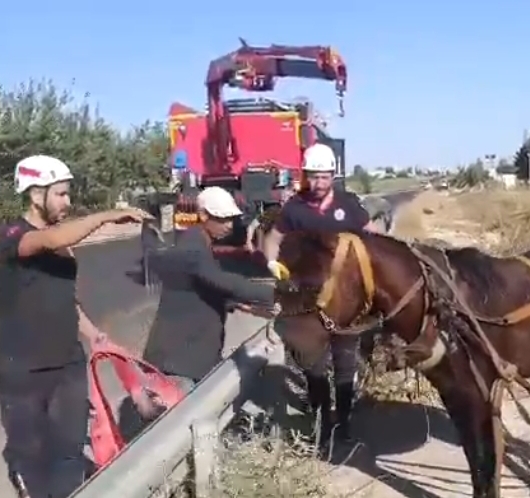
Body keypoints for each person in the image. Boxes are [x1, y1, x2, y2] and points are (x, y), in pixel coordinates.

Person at [0, 154, 150, 498]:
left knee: (68, 447)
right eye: (60, 194)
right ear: (35, 195)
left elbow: (63, 299)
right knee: (30, 452)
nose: (67, 202)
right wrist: (106, 216)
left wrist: (94, 335)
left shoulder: (61, 246)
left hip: (66, 361)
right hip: (22, 368)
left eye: (67, 194)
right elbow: (47, 239)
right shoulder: (12, 237)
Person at [261, 143, 380, 447]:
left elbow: (374, 236)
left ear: (333, 176)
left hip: (347, 301)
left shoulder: (348, 205)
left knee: (345, 362)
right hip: (308, 303)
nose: (317, 184)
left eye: (323, 177)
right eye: (312, 177)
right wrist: (272, 263)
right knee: (313, 365)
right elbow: (273, 239)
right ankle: (321, 424)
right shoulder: (295, 209)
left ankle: (345, 421)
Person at [142, 186, 277, 387]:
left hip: (191, 357)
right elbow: (223, 281)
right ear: (204, 215)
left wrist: (241, 306)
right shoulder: (193, 249)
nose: (230, 225)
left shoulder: (200, 243)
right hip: (177, 363)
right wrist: (279, 294)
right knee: (187, 416)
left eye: (231, 218)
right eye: (222, 219)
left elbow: (202, 289)